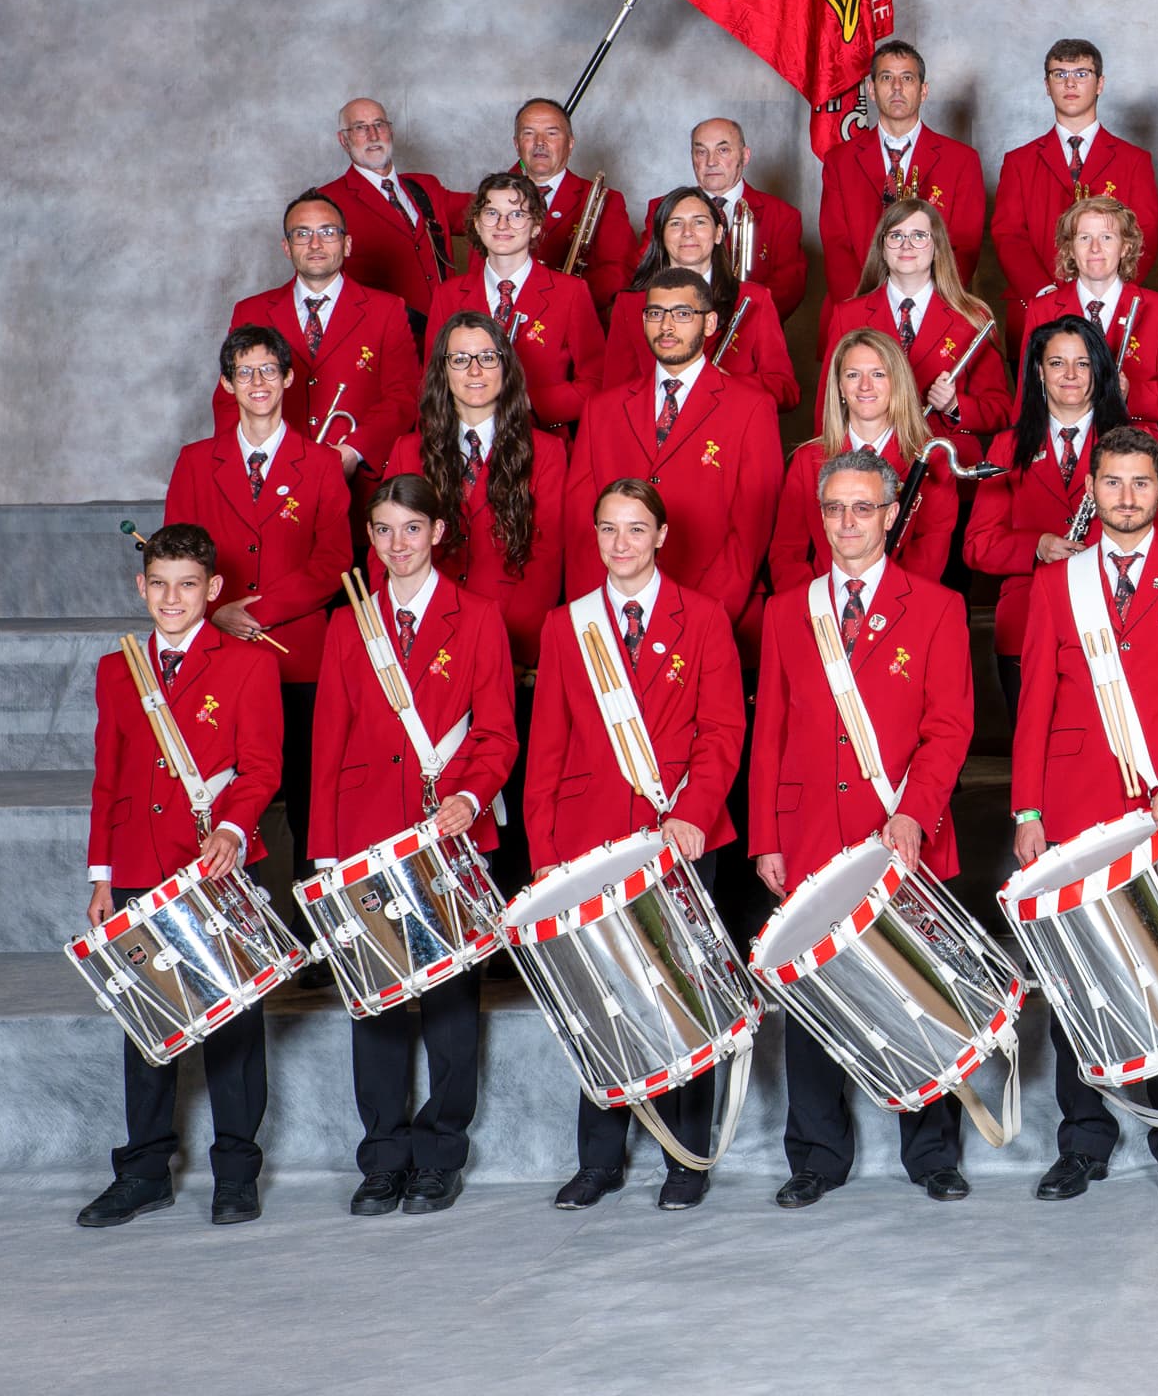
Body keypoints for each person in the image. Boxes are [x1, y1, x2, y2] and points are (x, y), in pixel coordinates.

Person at [1007, 426, 1158, 1203]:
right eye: (1112, 483)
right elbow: (1035, 698)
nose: (1127, 497)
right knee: (1079, 981)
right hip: (1071, 806)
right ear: (1092, 490)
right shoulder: (1056, 584)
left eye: (1141, 483)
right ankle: (1084, 1141)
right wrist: (1028, 807)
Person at [749, 448, 980, 1207]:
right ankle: (817, 1153)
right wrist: (767, 837)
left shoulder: (937, 606)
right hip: (809, 829)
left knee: (917, 994)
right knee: (814, 1002)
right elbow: (771, 731)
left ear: (891, 515)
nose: (848, 523)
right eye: (835, 509)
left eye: (863, 508)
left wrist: (913, 812)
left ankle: (932, 1151)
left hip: (900, 833)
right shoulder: (789, 610)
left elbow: (949, 730)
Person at [525, 478, 746, 1210]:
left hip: (678, 837)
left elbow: (722, 732)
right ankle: (601, 1159)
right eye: (608, 531)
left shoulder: (705, 619)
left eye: (635, 529)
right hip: (589, 838)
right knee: (598, 996)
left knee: (687, 993)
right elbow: (548, 746)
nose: (621, 544)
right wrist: (545, 849)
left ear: (661, 537)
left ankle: (687, 1156)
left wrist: (694, 812)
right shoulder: (568, 626)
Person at [311, 474, 519, 1218]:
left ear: (437, 533)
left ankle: (439, 1154)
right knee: (375, 1005)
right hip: (365, 837)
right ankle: (383, 1157)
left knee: (450, 1004)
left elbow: (497, 731)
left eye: (409, 529)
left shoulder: (480, 618)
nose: (395, 545)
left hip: (449, 836)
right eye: (381, 531)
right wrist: (328, 854)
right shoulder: (349, 625)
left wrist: (468, 793)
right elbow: (328, 746)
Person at [74, 524, 284, 1230]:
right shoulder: (115, 669)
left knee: (233, 1026)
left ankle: (235, 1173)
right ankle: (143, 1173)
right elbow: (108, 782)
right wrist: (103, 876)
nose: (172, 597)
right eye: (159, 584)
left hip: (215, 866)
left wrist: (230, 827)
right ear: (142, 587)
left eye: (187, 584)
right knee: (146, 1029)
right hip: (136, 866)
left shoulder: (248, 665)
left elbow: (261, 769)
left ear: (212, 590)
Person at [168, 326, 353, 879]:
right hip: (217, 659)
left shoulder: (320, 462)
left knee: (304, 796)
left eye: (268, 370)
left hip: (299, 658)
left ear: (288, 378)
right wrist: (210, 612)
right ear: (226, 384)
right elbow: (178, 558)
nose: (257, 381)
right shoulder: (196, 460)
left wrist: (253, 612)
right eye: (244, 372)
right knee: (219, 799)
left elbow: (335, 561)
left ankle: (314, 942)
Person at [562, 270, 783, 630]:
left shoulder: (752, 408)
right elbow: (580, 528)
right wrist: (595, 618)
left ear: (710, 322)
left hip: (715, 613)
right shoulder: (601, 409)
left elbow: (749, 536)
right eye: (655, 314)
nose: (666, 325)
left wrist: (700, 619)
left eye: (682, 314)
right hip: (612, 617)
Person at [385, 311, 566, 674]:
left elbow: (546, 563)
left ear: (505, 367)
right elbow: (386, 552)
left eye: (487, 358)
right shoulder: (407, 451)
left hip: (508, 642)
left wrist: (511, 648)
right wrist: (402, 633)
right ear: (443, 371)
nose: (474, 371)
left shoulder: (547, 452)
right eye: (460, 359)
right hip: (423, 637)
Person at [964, 316, 1132, 705]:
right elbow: (977, 545)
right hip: (1028, 621)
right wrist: (1037, 546)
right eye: (1057, 363)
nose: (1070, 374)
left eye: (1083, 363)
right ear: (1039, 371)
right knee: (1031, 757)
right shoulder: (1007, 446)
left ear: (1098, 370)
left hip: (1113, 619)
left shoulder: (1134, 442)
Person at [216, 191, 420, 484]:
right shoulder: (251, 311)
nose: (315, 244)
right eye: (302, 234)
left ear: (347, 244)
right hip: (273, 477)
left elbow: (404, 396)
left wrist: (353, 451)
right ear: (287, 247)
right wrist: (251, 465)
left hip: (360, 485)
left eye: (327, 232)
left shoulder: (387, 310)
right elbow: (228, 400)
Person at [822, 194, 1014, 464]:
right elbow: (827, 405)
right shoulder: (848, 315)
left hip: (941, 464)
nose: (906, 245)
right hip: (866, 466)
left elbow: (1002, 411)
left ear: (937, 246)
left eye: (919, 235)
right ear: (882, 247)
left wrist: (954, 405)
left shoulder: (972, 317)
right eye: (896, 236)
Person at [992, 38, 1158, 335]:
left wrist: (1107, 294)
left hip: (1111, 311)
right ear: (1047, 85)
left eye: (1081, 74)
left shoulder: (1135, 161)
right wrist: (1046, 294)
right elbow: (1009, 236)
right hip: (1034, 307)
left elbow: (1142, 237)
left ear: (1100, 84)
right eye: (1060, 74)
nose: (1070, 83)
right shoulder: (1018, 161)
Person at [770, 330, 962, 592]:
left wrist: (887, 606)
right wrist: (817, 609)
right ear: (839, 386)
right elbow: (787, 553)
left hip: (902, 609)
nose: (865, 386)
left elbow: (930, 551)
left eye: (878, 374)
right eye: (852, 375)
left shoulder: (933, 459)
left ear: (898, 382)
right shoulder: (808, 460)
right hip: (822, 609)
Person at [425, 174, 608, 430]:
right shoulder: (448, 295)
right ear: (477, 223)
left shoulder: (571, 292)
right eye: (491, 213)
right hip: (464, 443)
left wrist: (529, 401)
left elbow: (596, 381)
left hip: (541, 440)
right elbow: (432, 379)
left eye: (517, 215)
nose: (503, 224)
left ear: (535, 226)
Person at [816, 38, 991, 302]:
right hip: (856, 305)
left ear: (923, 91)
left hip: (935, 305)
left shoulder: (961, 160)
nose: (897, 87)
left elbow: (964, 246)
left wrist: (924, 303)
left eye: (907, 78)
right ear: (872, 90)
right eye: (887, 78)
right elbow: (836, 245)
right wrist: (863, 308)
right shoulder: (839, 161)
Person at [600, 189, 798, 411]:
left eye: (699, 222)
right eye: (675, 223)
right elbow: (613, 397)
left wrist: (728, 383)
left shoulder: (755, 300)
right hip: (653, 437)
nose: (687, 232)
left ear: (718, 233)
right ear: (661, 235)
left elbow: (786, 391)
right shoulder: (630, 304)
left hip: (728, 435)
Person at [1016, 195, 1158, 425]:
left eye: (1107, 237)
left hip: (1133, 448)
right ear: (1070, 248)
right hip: (1062, 446)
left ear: (1125, 247)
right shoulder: (1042, 310)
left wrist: (1129, 393)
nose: (1095, 248)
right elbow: (1025, 398)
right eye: (1084, 238)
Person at [319, 98, 461, 328]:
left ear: (391, 132)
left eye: (379, 124)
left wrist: (532, 169)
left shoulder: (426, 187)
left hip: (446, 339)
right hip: (382, 340)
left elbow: (492, 206)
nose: (373, 135)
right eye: (360, 127)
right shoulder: (326, 202)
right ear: (343, 140)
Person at [508, 95, 638, 311]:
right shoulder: (494, 199)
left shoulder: (607, 200)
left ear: (570, 143)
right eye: (529, 133)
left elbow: (618, 273)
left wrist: (561, 299)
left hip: (572, 318)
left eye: (551, 133)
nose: (540, 142)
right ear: (517, 144)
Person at [689, 115, 810, 320]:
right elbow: (645, 279)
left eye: (723, 150)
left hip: (750, 340)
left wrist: (734, 322)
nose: (711, 162)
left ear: (745, 156)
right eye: (701, 152)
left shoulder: (782, 217)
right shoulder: (663, 210)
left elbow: (788, 290)